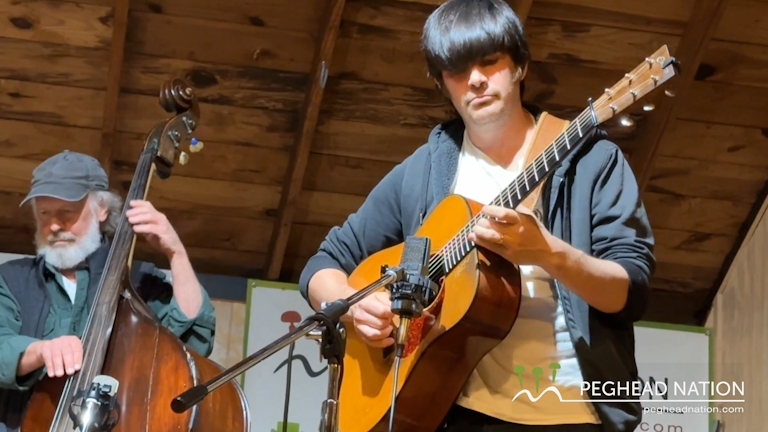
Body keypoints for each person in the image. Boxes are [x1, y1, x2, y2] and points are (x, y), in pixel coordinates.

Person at [298, 0, 655, 431]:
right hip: (455, 413)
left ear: (521, 65)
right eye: (457, 71)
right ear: (440, 83)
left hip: (574, 413)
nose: (477, 81)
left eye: (490, 62)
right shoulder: (427, 169)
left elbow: (630, 291)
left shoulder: (592, 161)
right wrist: (355, 308)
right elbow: (323, 265)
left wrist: (548, 254)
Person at [0, 150, 217, 431]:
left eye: (66, 213)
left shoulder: (138, 280)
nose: (53, 225)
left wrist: (175, 252)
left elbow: (194, 342)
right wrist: (41, 350)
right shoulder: (12, 278)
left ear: (101, 209)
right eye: (44, 213)